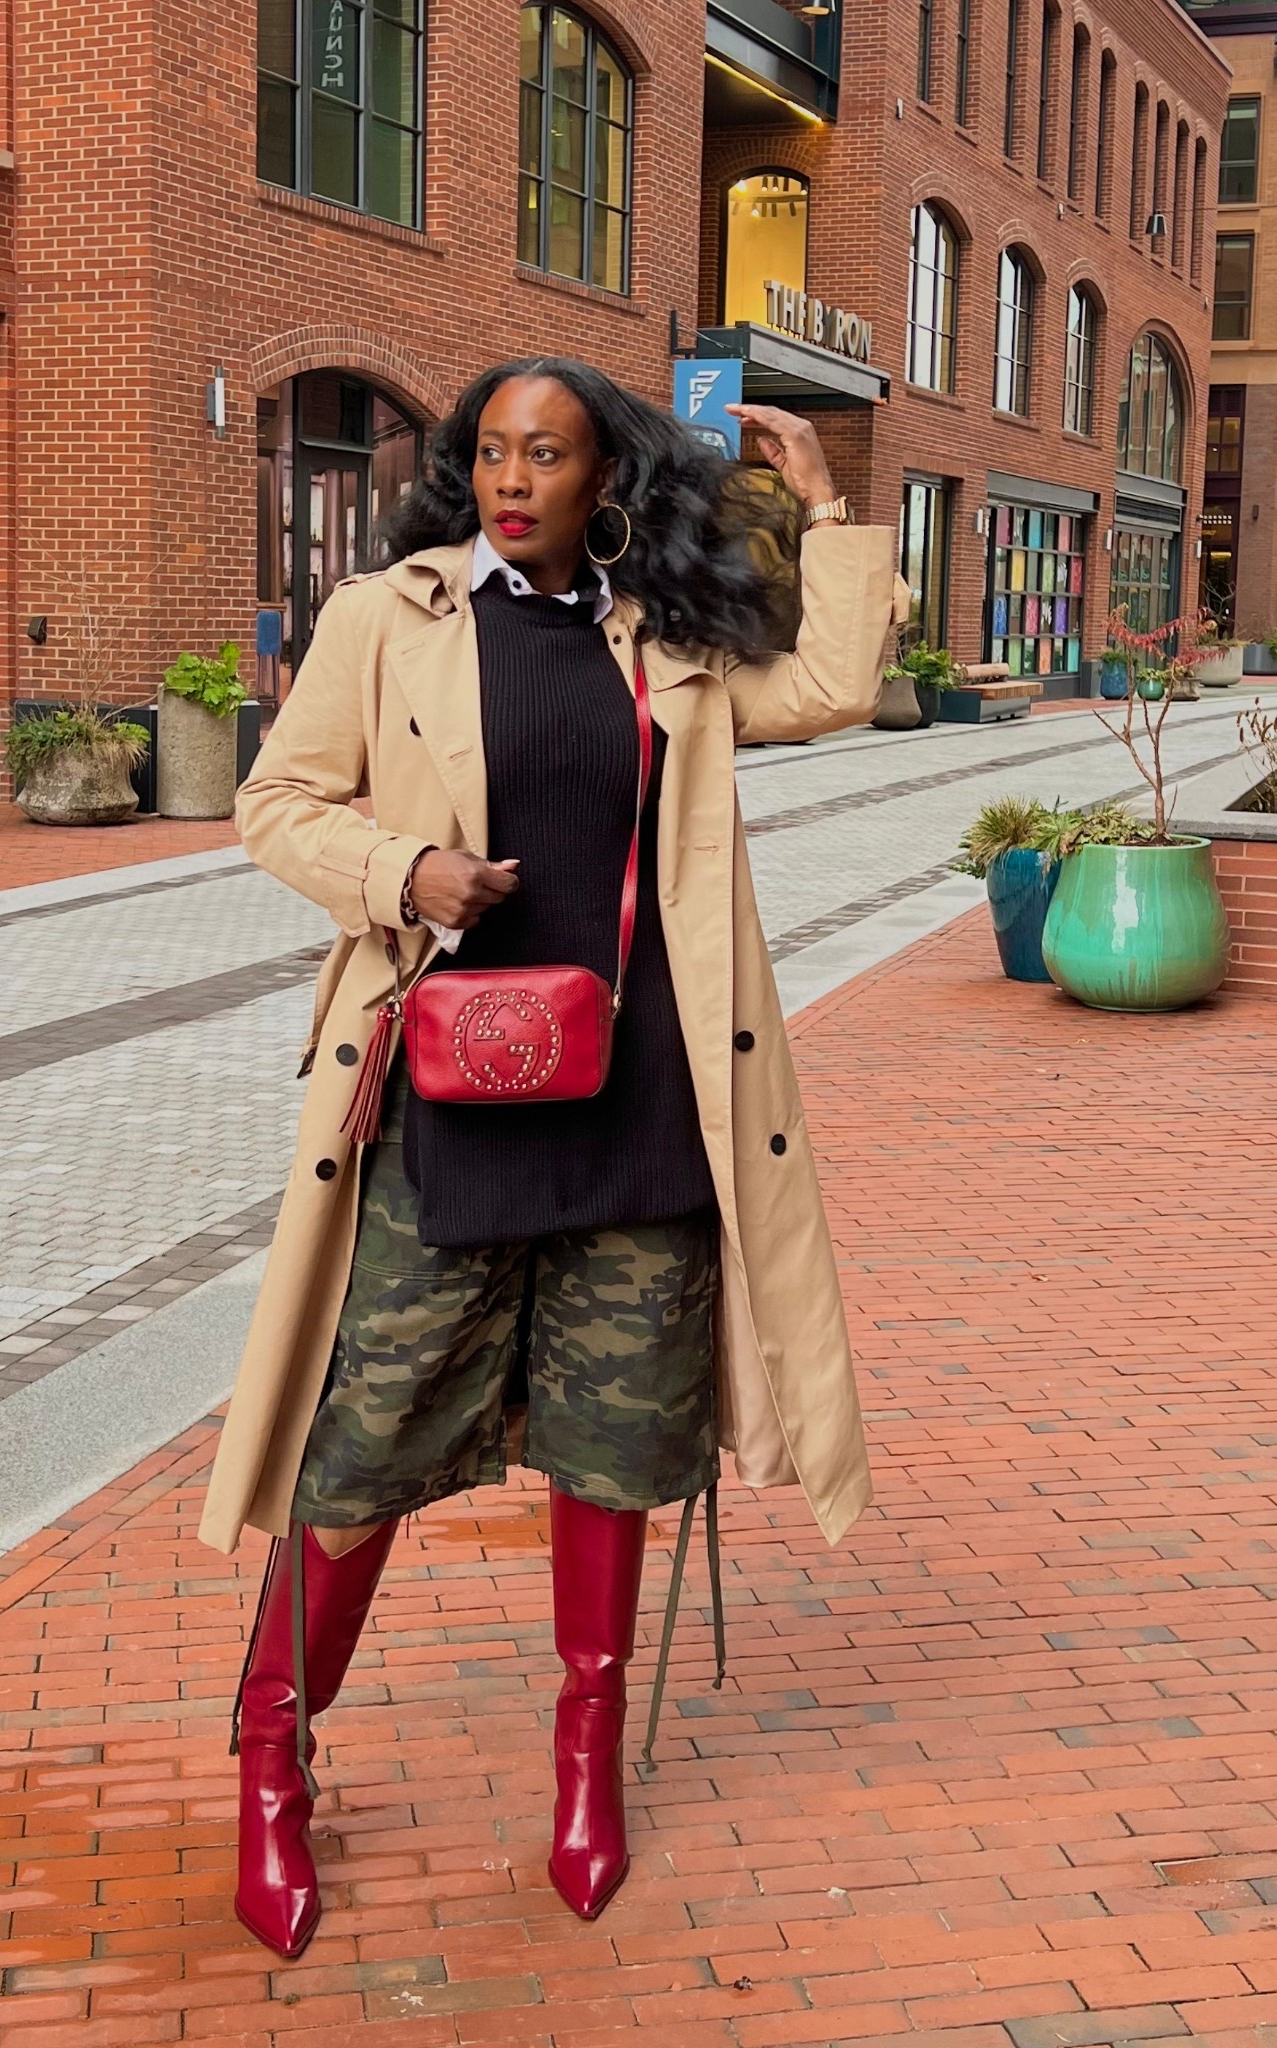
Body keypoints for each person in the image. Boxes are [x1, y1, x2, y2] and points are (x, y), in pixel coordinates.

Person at [200, 356, 904, 1959]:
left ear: (607, 480)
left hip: (645, 1102)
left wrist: (821, 500)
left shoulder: (661, 635)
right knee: (357, 1452)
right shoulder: (394, 617)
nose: (515, 477)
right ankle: (270, 1761)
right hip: (448, 1100)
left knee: (617, 1444)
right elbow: (277, 801)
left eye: (551, 454)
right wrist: (404, 867)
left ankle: (587, 1763)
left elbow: (837, 687)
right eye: (494, 452)